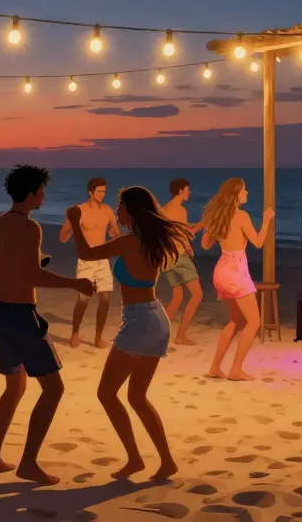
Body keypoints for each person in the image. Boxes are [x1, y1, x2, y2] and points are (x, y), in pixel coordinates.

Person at [0, 165, 95, 482]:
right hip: (22, 316)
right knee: (53, 389)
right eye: (41, 191)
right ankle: (28, 463)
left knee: (15, 387)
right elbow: (34, 275)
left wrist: (4, 278)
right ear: (31, 193)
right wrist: (75, 284)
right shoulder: (30, 228)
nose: (44, 196)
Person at [66, 186, 186, 480]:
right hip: (156, 318)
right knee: (137, 397)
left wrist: (74, 221)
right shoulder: (152, 241)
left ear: (131, 210)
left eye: (120, 206)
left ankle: (135, 459)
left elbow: (87, 253)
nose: (116, 211)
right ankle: (165, 461)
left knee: (106, 393)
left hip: (140, 322)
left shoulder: (130, 242)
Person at [200, 178, 273, 381]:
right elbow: (258, 242)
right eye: (244, 190)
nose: (247, 192)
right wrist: (266, 221)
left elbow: (205, 245)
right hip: (236, 272)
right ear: (236, 194)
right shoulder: (241, 215)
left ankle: (215, 367)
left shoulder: (219, 217)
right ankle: (236, 369)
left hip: (221, 271)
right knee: (254, 322)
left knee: (236, 320)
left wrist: (210, 228)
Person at [59, 178, 119, 348]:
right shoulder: (79, 210)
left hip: (102, 260)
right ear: (90, 192)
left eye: (104, 191)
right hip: (86, 261)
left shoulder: (107, 211)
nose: (102, 194)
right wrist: (69, 232)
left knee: (105, 300)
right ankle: (75, 333)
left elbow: (115, 232)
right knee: (83, 299)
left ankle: (98, 338)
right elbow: (63, 236)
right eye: (99, 191)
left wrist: (114, 233)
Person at [160, 178, 204, 345]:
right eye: (187, 189)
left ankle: (160, 334)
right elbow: (186, 234)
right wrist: (189, 249)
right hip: (178, 256)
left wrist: (198, 225)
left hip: (167, 257)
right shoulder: (180, 210)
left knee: (177, 296)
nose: (189, 192)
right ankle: (180, 336)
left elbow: (178, 229)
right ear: (180, 191)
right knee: (197, 295)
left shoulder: (165, 209)